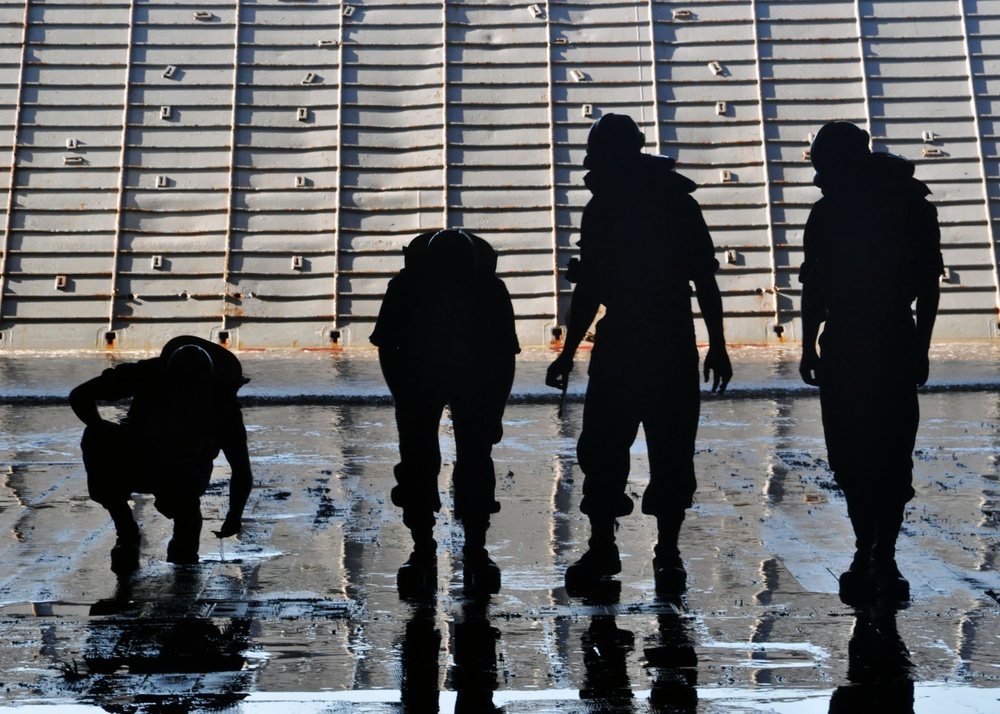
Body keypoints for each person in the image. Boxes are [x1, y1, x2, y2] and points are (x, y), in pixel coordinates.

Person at [546, 113, 732, 596]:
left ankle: (603, 547)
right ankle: (667, 556)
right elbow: (704, 281)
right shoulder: (677, 201)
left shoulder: (603, 206)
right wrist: (718, 344)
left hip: (621, 341)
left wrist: (568, 351)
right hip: (672, 341)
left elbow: (590, 290)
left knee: (604, 449)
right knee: (672, 450)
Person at [799, 121, 942, 605]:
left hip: (847, 342)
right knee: (891, 451)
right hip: (894, 339)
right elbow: (927, 287)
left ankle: (868, 550)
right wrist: (920, 346)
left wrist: (807, 344)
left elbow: (813, 288)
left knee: (851, 453)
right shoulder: (912, 208)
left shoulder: (827, 213)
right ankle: (882, 553)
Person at [372, 229, 519, 597]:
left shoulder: (407, 286)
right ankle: (471, 548)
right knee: (471, 461)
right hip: (456, 380)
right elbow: (504, 358)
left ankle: (427, 548)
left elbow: (388, 347)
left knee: (423, 462)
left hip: (423, 379)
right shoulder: (488, 288)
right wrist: (495, 409)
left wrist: (402, 395)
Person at [70, 335, 252, 573]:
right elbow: (80, 395)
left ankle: (184, 550)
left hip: (186, 464)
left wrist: (235, 514)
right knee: (95, 438)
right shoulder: (147, 373)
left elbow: (240, 467)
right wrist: (99, 426)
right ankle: (126, 532)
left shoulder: (223, 403)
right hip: (138, 452)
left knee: (185, 515)